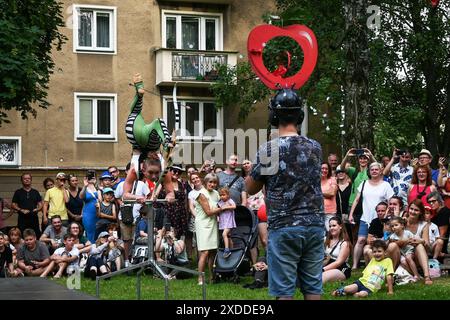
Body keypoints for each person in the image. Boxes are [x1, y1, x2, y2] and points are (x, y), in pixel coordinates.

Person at [246, 88, 324, 300]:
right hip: (315, 225)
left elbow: (250, 188)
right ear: (300, 115)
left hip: (284, 226)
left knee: (284, 292)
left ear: (273, 116)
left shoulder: (269, 150)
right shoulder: (315, 147)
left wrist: (252, 169)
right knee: (313, 289)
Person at [349, 162, 394, 269]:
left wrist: (386, 215)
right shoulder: (364, 183)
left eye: (376, 169)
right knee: (360, 241)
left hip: (380, 219)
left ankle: (381, 264)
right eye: (372, 169)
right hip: (366, 217)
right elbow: (356, 199)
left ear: (380, 171)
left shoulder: (386, 185)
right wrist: (351, 214)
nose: (374, 171)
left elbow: (390, 201)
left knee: (380, 241)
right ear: (369, 171)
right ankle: (355, 265)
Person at [115, 162, 149, 267]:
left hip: (138, 216)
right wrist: (122, 205)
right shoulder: (121, 184)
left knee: (135, 239)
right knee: (126, 239)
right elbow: (117, 197)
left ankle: (135, 259)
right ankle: (126, 260)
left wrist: (143, 202)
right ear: (126, 172)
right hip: (124, 216)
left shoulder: (142, 184)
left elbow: (148, 196)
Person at [192, 173, 221, 285]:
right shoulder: (201, 194)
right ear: (205, 182)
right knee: (205, 252)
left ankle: (212, 277)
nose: (212, 184)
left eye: (214, 182)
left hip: (213, 223)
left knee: (213, 251)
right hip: (203, 224)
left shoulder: (216, 194)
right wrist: (223, 209)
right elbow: (208, 212)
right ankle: (200, 278)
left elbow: (219, 205)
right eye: (210, 182)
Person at [404, 199, 433, 285]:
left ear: (420, 212)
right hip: (404, 253)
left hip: (417, 256)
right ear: (408, 209)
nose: (413, 212)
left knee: (420, 246)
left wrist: (422, 241)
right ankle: (417, 275)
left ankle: (427, 276)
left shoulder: (424, 224)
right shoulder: (403, 222)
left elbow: (428, 247)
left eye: (416, 210)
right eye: (411, 209)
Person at [388, 216, 421, 282]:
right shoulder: (393, 236)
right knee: (403, 262)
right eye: (392, 226)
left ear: (402, 225)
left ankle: (416, 275)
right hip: (402, 253)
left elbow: (414, 240)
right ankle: (414, 275)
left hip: (410, 250)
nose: (394, 227)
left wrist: (409, 241)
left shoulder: (407, 233)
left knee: (408, 258)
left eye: (396, 225)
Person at [11, 173, 43, 238]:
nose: (27, 180)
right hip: (22, 219)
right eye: (25, 179)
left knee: (35, 235)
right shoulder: (18, 192)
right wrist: (21, 210)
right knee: (21, 236)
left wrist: (37, 209)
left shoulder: (35, 192)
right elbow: (13, 205)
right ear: (22, 180)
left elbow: (40, 205)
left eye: (28, 178)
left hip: (33, 218)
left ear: (31, 180)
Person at [322, 217, 352, 284]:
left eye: (334, 225)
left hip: (341, 268)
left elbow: (338, 262)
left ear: (340, 226)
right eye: (330, 226)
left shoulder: (344, 243)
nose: (331, 228)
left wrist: (323, 269)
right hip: (327, 264)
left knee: (320, 277)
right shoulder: (326, 240)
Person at [426, 191, 449, 258]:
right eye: (429, 202)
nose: (431, 203)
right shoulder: (436, 213)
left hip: (440, 247)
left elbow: (442, 235)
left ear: (439, 201)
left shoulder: (444, 212)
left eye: (433, 201)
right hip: (432, 243)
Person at [80, 170, 101, 243]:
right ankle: (89, 249)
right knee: (89, 232)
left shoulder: (98, 188)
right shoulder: (85, 188)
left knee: (97, 231)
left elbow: (101, 200)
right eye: (90, 177)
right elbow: (81, 196)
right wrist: (85, 186)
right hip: (88, 214)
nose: (92, 178)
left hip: (97, 212)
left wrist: (97, 187)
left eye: (94, 176)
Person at [217, 187, 237, 258]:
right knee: (228, 237)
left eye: (223, 195)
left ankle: (227, 250)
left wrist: (226, 207)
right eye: (220, 195)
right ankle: (232, 250)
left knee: (224, 234)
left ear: (228, 195)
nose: (222, 196)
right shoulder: (220, 202)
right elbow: (218, 211)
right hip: (223, 222)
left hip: (229, 222)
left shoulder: (230, 201)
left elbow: (234, 207)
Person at [335, 166, 353, 243]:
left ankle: (351, 253)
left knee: (351, 235)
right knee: (340, 235)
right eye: (338, 172)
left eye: (342, 172)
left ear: (346, 174)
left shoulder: (352, 186)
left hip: (349, 214)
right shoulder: (334, 187)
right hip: (337, 213)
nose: (341, 173)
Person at [321, 162, 338, 231]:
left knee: (331, 232)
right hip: (318, 212)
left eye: (326, 169)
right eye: (322, 168)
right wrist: (326, 193)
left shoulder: (332, 179)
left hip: (330, 211)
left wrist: (317, 193)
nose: (324, 170)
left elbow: (332, 193)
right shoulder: (315, 181)